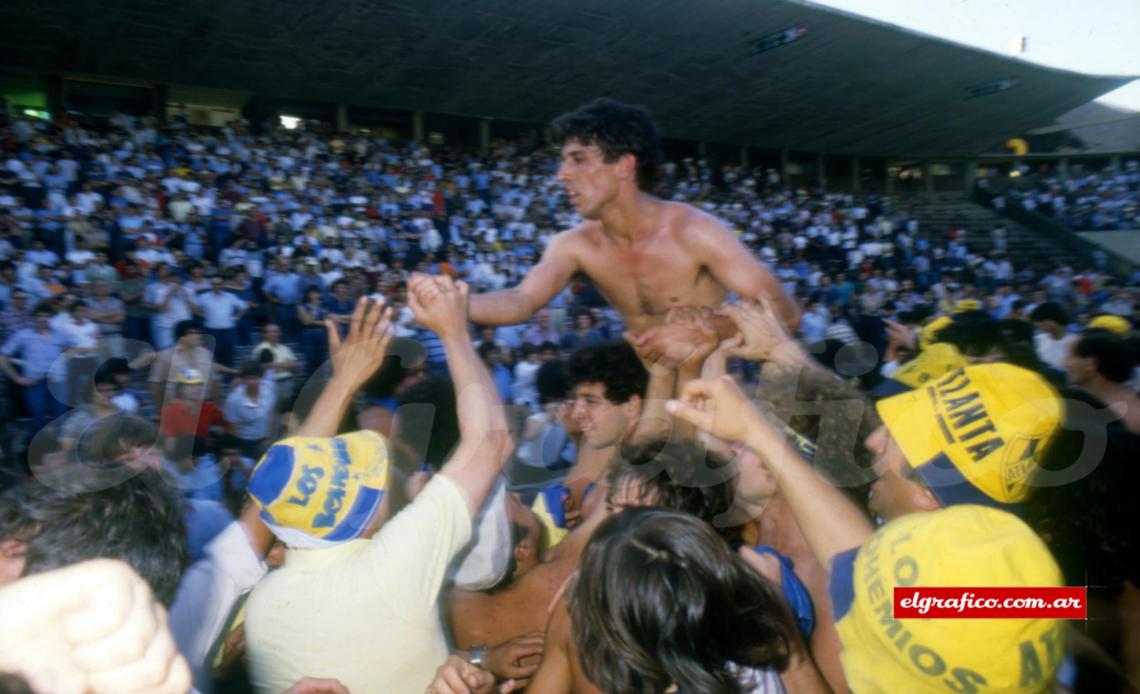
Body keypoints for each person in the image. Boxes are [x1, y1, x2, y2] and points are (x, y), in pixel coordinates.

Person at [243, 277, 514, 693]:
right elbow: (491, 439)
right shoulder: (394, 565)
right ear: (363, 516)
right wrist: (455, 334)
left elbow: (290, 474)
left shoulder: (261, 606)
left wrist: (344, 381)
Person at [467, 98, 798, 366]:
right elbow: (521, 301)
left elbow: (786, 313)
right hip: (646, 394)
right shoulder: (574, 245)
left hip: (713, 400)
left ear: (624, 166)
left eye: (578, 159)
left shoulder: (695, 232)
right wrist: (452, 301)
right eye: (563, 161)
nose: (561, 174)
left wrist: (706, 330)